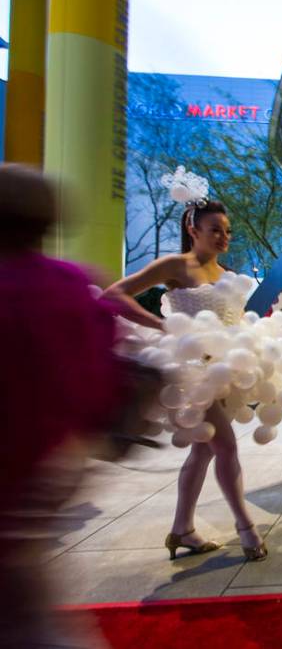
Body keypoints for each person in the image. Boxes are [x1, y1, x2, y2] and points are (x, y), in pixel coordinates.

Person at [104, 174, 269, 562]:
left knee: (204, 451)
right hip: (189, 374)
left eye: (227, 231)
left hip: (222, 373)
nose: (223, 236)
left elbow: (233, 323)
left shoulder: (226, 274)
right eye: (215, 229)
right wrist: (160, 325)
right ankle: (246, 528)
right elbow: (114, 294)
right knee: (224, 445)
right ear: (192, 229)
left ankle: (182, 529)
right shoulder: (176, 265)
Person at [0, 164, 120, 647]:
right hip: (54, 461)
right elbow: (100, 377)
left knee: (25, 599)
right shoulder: (72, 283)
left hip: (17, 464)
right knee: (27, 587)